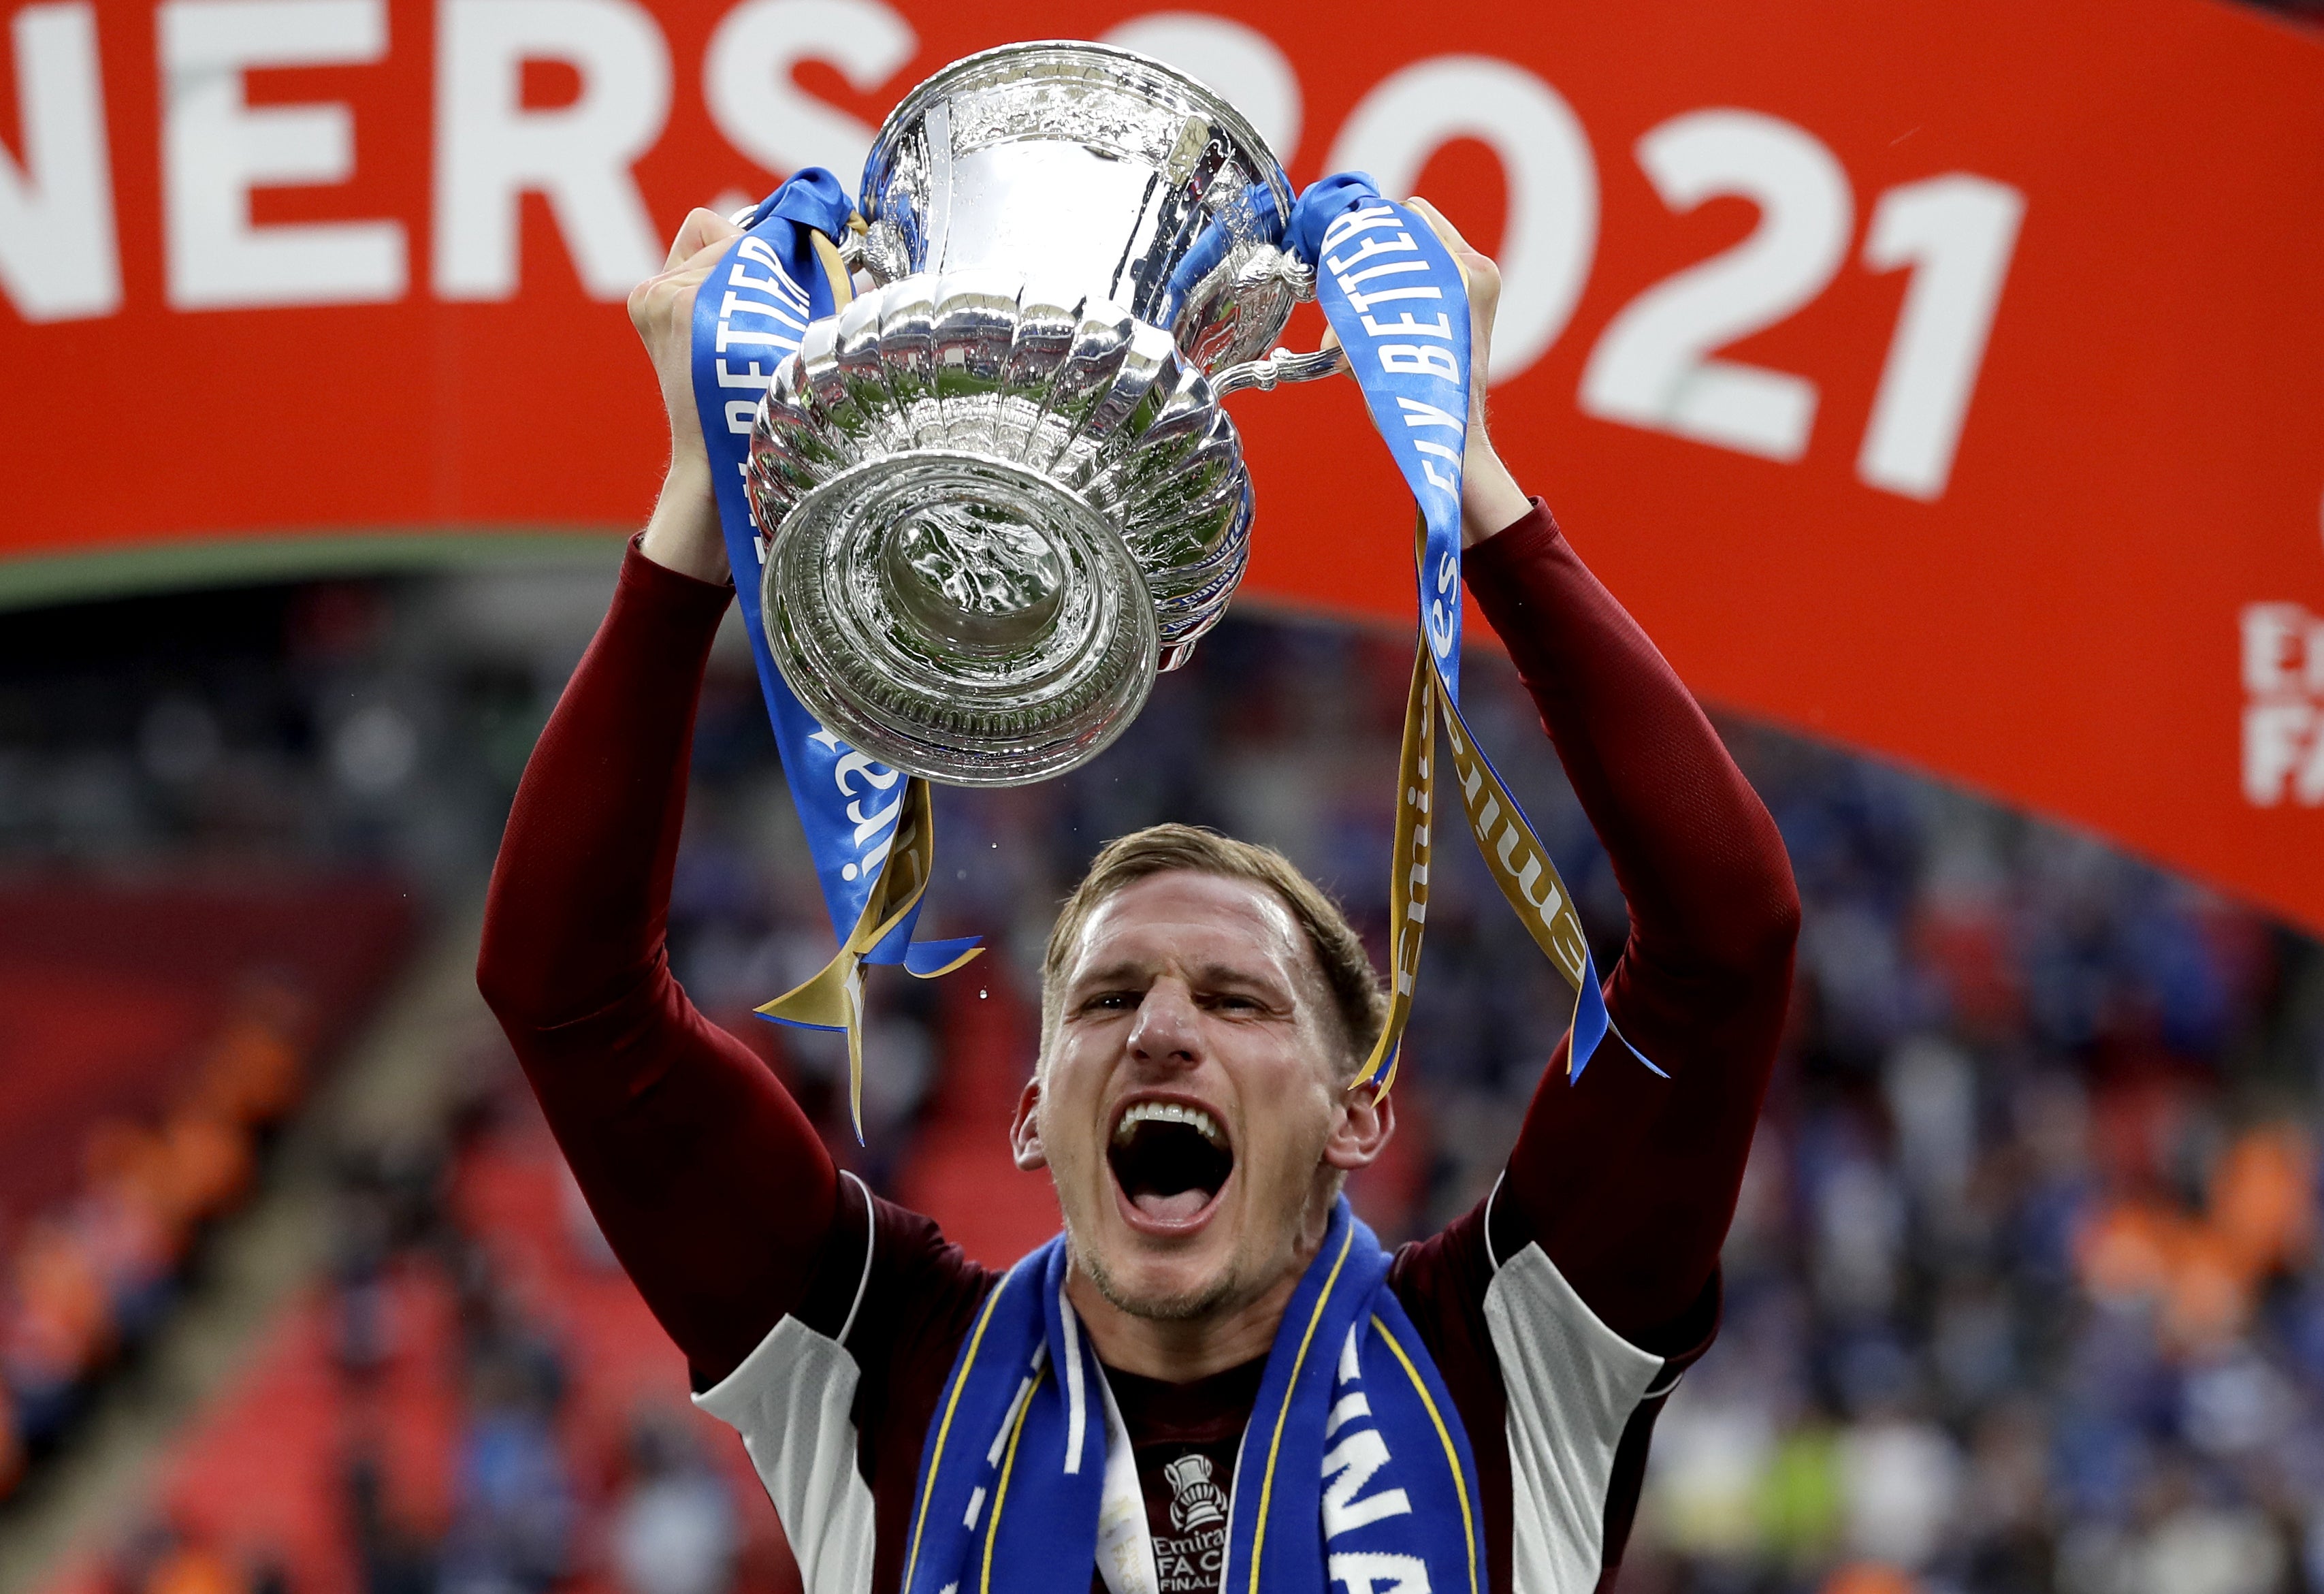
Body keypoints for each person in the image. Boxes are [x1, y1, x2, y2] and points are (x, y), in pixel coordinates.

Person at [478, 197, 1799, 1594]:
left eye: (1237, 998)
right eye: (1107, 997)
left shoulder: (1509, 1353)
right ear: (1036, 1107)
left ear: (1360, 1111)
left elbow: (1725, 944)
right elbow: (565, 996)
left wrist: (1464, 469)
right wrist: (700, 493)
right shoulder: (878, 1365)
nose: (1164, 1026)